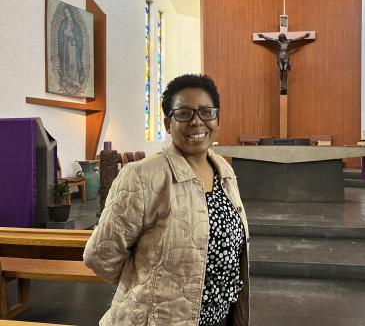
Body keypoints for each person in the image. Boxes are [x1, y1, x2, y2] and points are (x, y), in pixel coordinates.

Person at [84, 74, 250, 326]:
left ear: (217, 119)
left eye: (206, 112)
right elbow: (100, 255)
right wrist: (147, 288)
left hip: (221, 319)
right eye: (184, 113)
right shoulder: (142, 176)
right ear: (167, 123)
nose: (196, 121)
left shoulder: (224, 171)